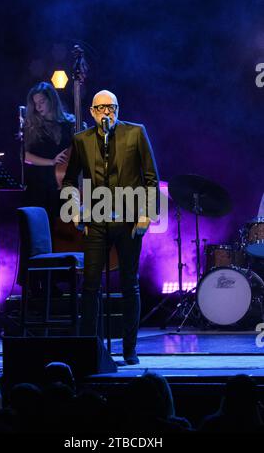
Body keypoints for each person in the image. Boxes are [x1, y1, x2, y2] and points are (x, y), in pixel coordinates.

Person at [62, 90, 159, 365]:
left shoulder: (136, 133)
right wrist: (75, 211)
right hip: (96, 219)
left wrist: (146, 216)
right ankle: (89, 348)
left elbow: (151, 178)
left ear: (118, 109)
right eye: (102, 108)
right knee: (91, 285)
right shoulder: (82, 140)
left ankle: (130, 349)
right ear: (93, 112)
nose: (107, 112)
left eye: (112, 107)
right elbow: (69, 180)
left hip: (129, 219)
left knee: (130, 283)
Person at [24, 81, 75, 221]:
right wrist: (52, 162)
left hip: (66, 184)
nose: (38, 106)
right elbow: (24, 156)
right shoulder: (32, 127)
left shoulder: (70, 124)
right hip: (41, 186)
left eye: (42, 101)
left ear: (52, 100)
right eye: (35, 103)